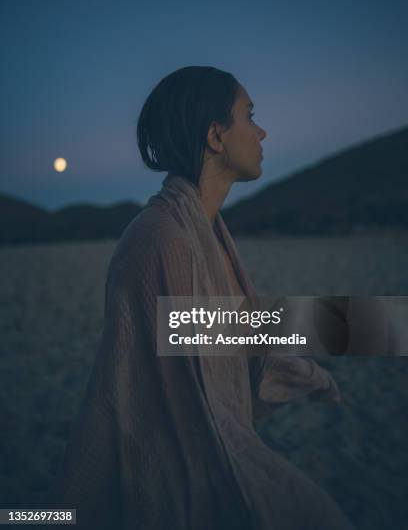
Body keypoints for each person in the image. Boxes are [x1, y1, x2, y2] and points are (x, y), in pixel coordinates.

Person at [48, 66, 353, 529]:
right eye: (249, 116)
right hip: (184, 468)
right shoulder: (163, 238)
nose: (262, 130)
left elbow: (231, 329)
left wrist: (369, 333)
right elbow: (201, 373)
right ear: (216, 136)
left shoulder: (202, 230)